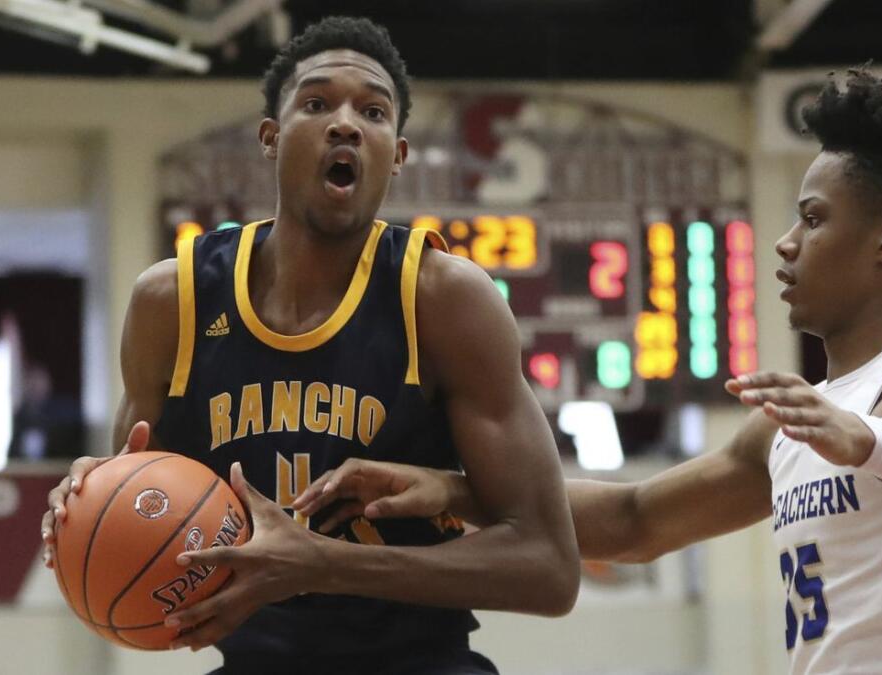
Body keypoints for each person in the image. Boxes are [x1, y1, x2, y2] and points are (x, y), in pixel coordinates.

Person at [293, 70, 882, 675]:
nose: (786, 244)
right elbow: (637, 522)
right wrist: (458, 490)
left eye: (814, 219)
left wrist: (868, 440)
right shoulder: (797, 422)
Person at [39, 16, 579, 674]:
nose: (346, 123)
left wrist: (324, 564)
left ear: (398, 154)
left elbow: (549, 567)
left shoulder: (444, 300)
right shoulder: (171, 303)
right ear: (271, 137)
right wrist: (85, 505)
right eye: (317, 102)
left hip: (418, 662)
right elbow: (138, 506)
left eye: (374, 111)